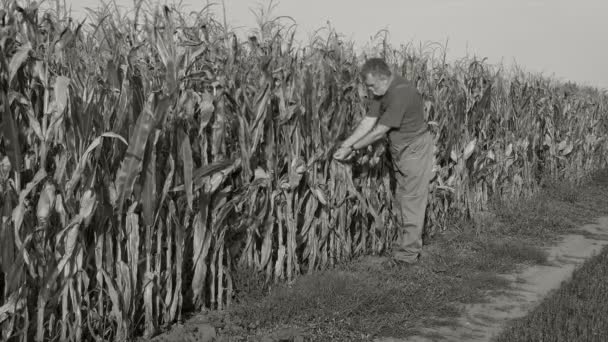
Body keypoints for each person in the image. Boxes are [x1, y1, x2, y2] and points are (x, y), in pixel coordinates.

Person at [333, 58, 434, 264]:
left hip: (414, 148)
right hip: (399, 149)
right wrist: (345, 144)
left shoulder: (401, 93)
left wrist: (352, 148)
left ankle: (408, 256)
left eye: (371, 85)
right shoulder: (380, 91)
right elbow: (368, 122)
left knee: (412, 199)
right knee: (401, 196)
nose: (369, 90)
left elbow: (379, 131)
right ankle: (404, 245)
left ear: (383, 78)